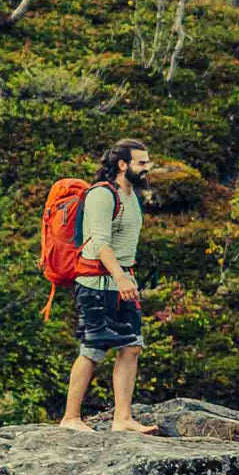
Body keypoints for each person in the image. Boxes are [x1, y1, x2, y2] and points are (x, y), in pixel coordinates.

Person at [58, 139, 160, 434]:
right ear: (122, 165)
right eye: (142, 162)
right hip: (97, 285)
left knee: (131, 346)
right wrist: (120, 277)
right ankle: (70, 418)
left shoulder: (132, 196)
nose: (148, 167)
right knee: (93, 348)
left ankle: (122, 419)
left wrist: (126, 278)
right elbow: (100, 243)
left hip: (121, 283)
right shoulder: (102, 195)